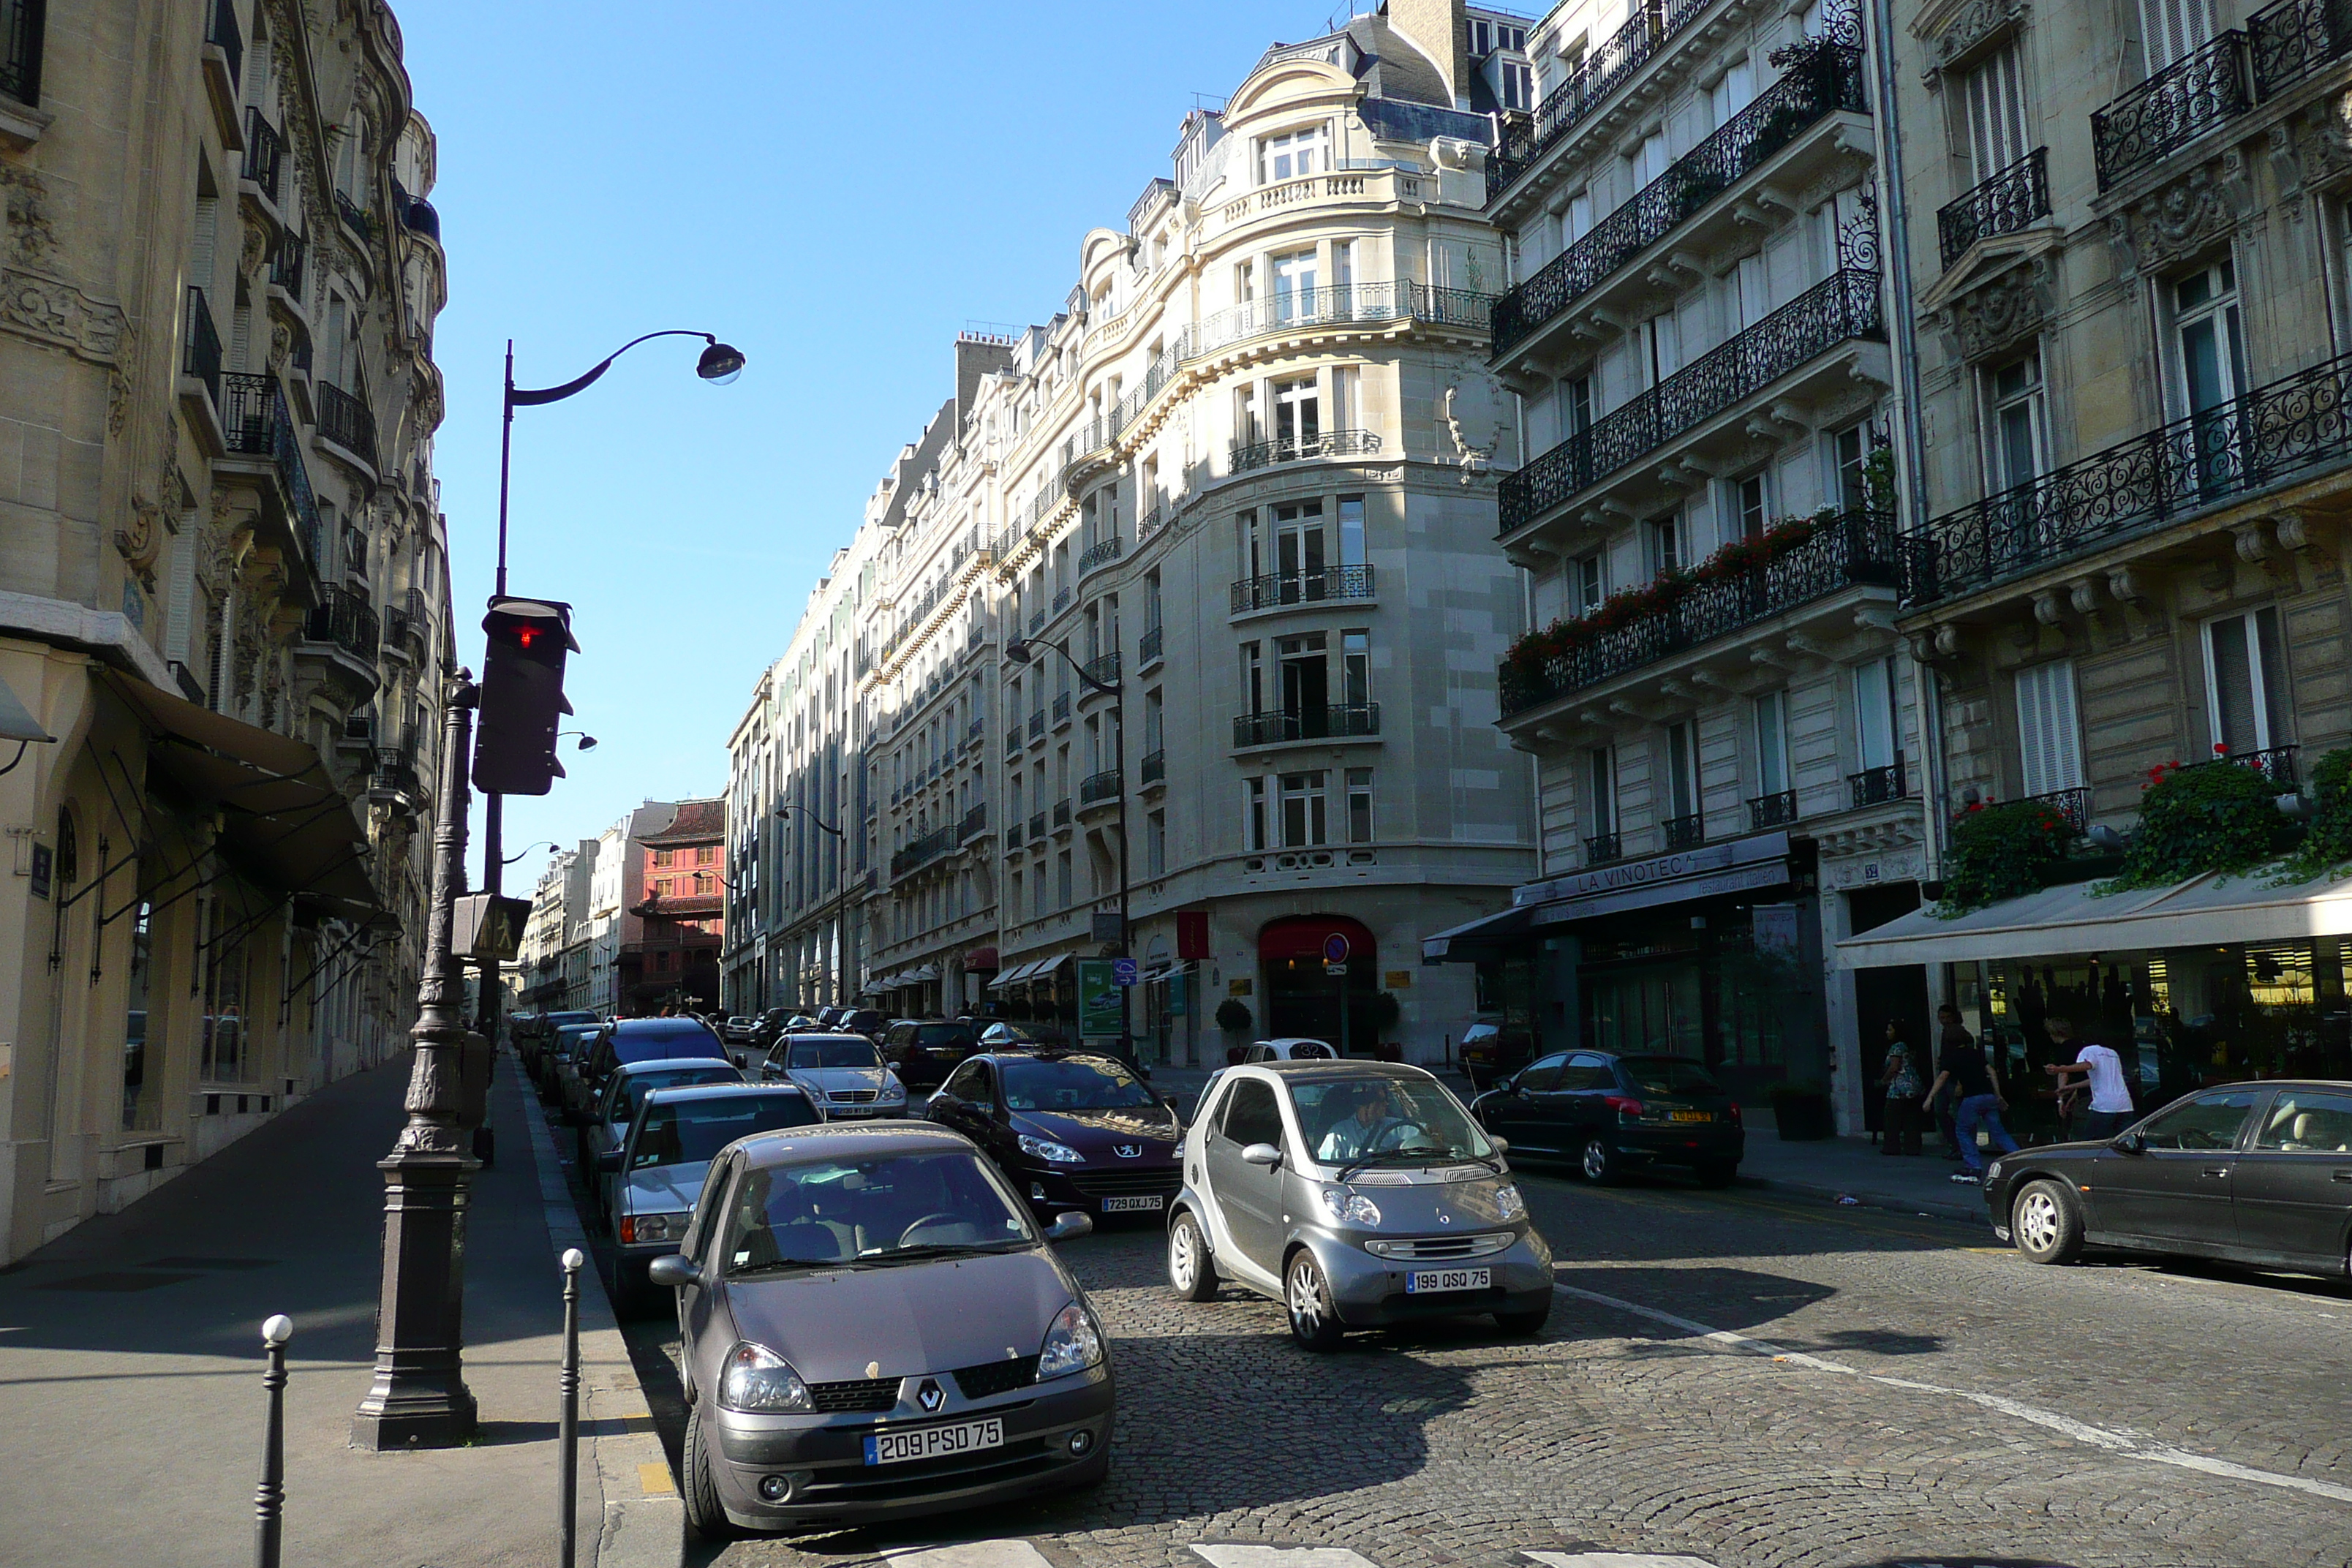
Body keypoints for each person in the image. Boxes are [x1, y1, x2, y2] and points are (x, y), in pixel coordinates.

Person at [1923, 1005, 2016, 1183]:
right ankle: (2019, 1158)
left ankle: (1973, 1165)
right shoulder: (1975, 1054)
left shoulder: (1952, 1058)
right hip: (1988, 1095)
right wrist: (1998, 1095)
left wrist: (1930, 1098)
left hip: (1971, 1097)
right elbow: (1992, 1072)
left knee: (1963, 1130)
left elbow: (1942, 1078)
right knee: (1999, 1132)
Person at [2043, 1017, 2136, 1140]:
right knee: (2126, 1139)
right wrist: (2071, 1091)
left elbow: (2087, 1065)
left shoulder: (2088, 1051)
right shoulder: (2112, 1054)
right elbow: (2095, 1079)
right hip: (2124, 1104)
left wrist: (2060, 1069)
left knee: (2088, 1140)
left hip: (2103, 1105)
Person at [1316, 1082, 1411, 1163]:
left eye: (1386, 1100)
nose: (1386, 1104)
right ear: (1365, 1105)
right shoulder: (1339, 1134)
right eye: (1381, 1101)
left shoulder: (1396, 1126)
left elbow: (1420, 1132)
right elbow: (1327, 1167)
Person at [1877, 1020, 1923, 1156]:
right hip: (1913, 1085)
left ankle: (1891, 1146)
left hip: (1899, 1087)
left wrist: (1884, 1080)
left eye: (1890, 1030)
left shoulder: (1897, 1047)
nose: (1887, 1033)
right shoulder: (1910, 1046)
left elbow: (1894, 1067)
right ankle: (1913, 1146)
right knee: (1911, 1118)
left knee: (1892, 1117)